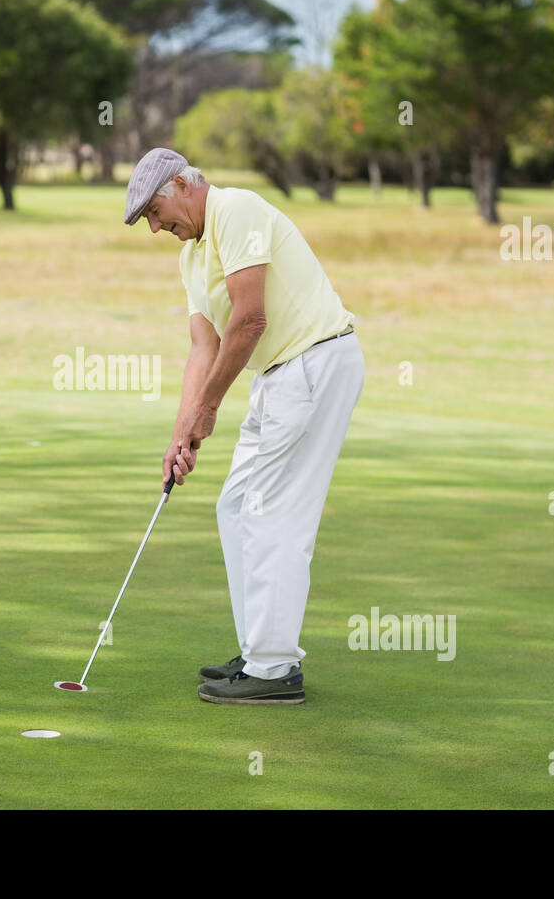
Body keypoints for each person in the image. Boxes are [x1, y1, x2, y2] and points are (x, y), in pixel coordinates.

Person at [124, 147, 365, 705]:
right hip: (279, 377)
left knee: (271, 512)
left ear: (183, 184)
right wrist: (183, 429)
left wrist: (209, 409)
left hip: (313, 361)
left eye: (156, 212)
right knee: (235, 506)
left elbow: (250, 319)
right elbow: (201, 346)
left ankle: (275, 668)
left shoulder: (237, 210)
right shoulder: (192, 255)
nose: (157, 228)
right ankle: (259, 650)